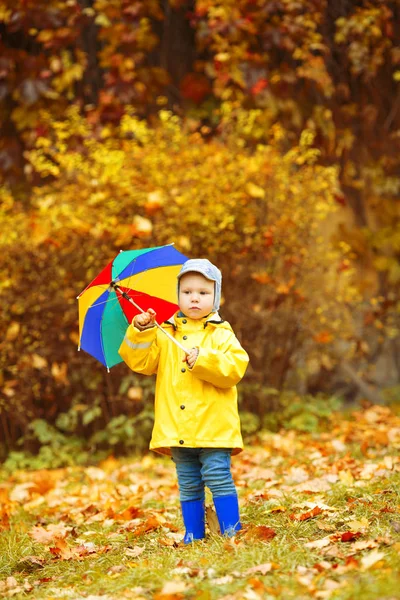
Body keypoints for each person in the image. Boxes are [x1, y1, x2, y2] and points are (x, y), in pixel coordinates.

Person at [118, 258, 249, 543]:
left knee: (217, 476)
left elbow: (234, 369)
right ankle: (194, 533)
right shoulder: (165, 332)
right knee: (188, 482)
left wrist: (204, 359)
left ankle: (231, 531)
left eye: (203, 292)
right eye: (187, 291)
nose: (194, 298)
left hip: (213, 426)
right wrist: (141, 330)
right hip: (177, 426)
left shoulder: (221, 333)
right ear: (177, 295)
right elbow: (141, 362)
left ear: (216, 297)